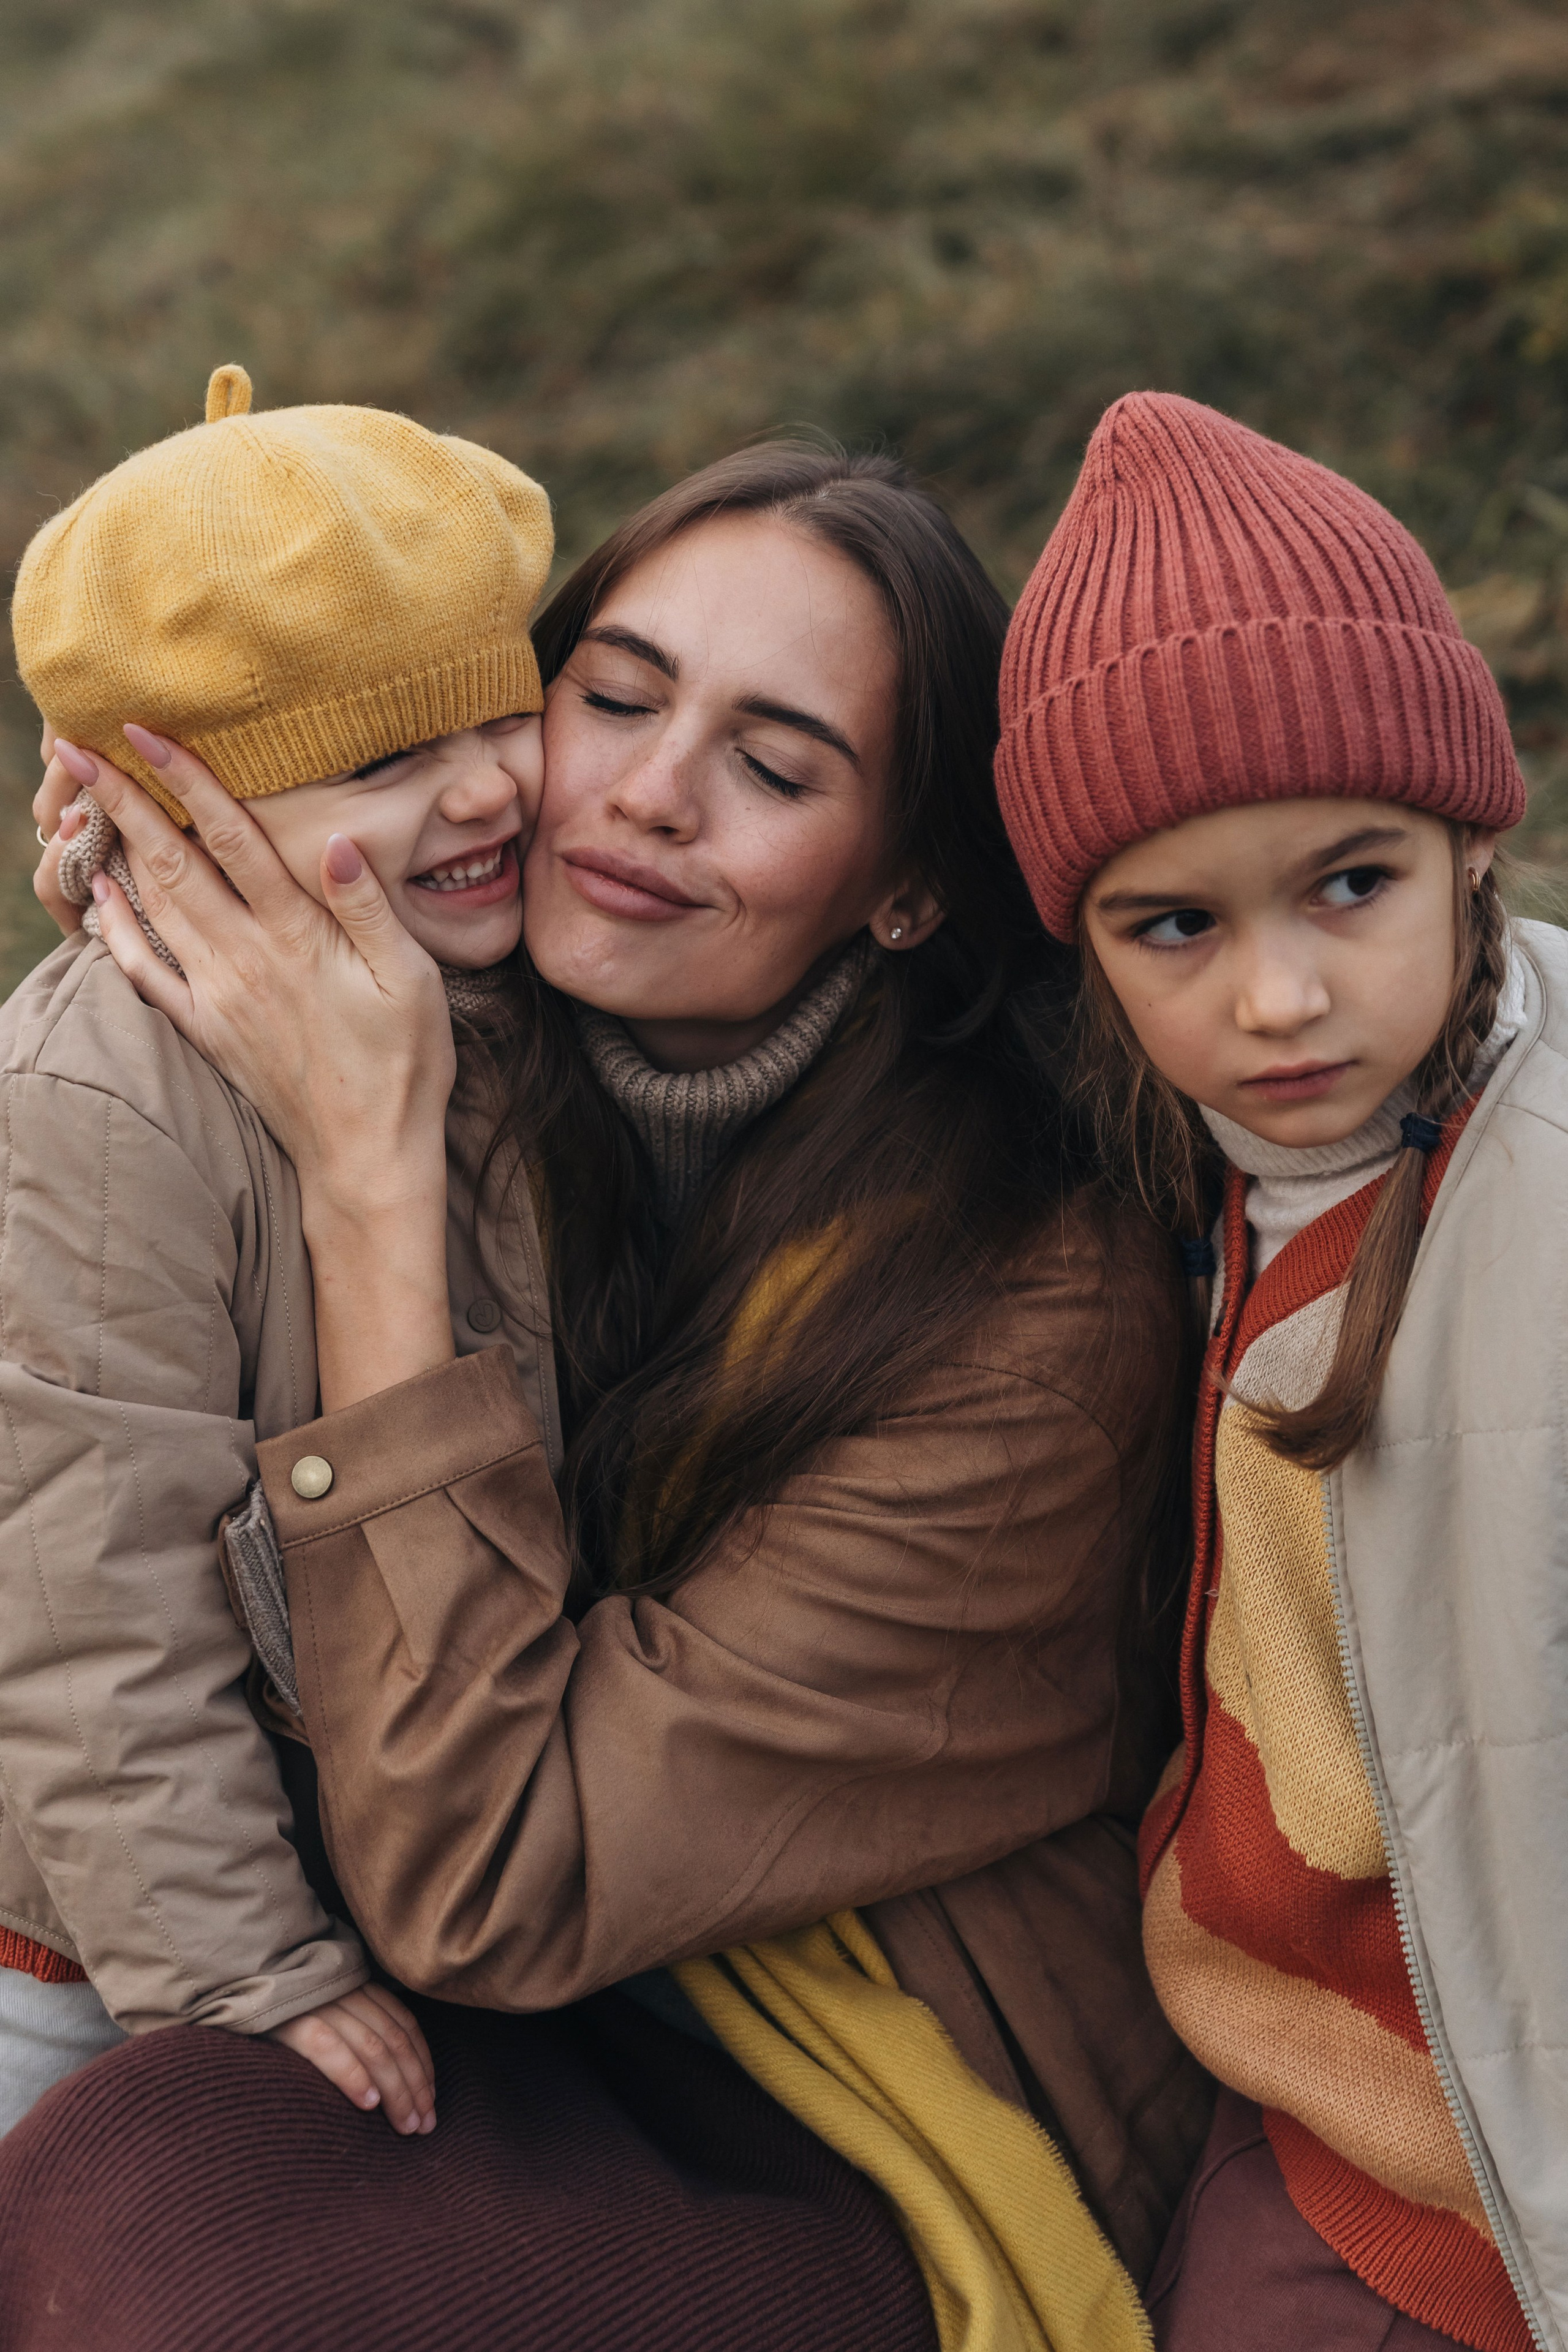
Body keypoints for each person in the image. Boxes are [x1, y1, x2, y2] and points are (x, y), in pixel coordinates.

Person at [2, 437, 1210, 2352]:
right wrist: (155, 838)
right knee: (124, 2159)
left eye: (774, 764)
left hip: (846, 2087)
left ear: (902, 889)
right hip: (490, 2000)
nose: (640, 798)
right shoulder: (486, 1000)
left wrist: (371, 1196)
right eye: (617, 694)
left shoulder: (1034, 1325)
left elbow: (496, 1881)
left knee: (206, 2273)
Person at [992, 389, 1565, 2352]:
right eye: (1177, 926)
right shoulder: (1215, 1163)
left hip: (1468, 2155)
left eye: (1352, 882)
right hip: (1281, 2040)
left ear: (1472, 835)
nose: (1282, 997)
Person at [0, 361, 556, 2137]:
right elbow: (92, 1615)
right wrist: (244, 1974)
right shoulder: (102, 1111)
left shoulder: (497, 974)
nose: (480, 796)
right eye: (389, 760)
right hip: (95, 1954)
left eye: (500, 720)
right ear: (189, 813)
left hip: (410, 1834)